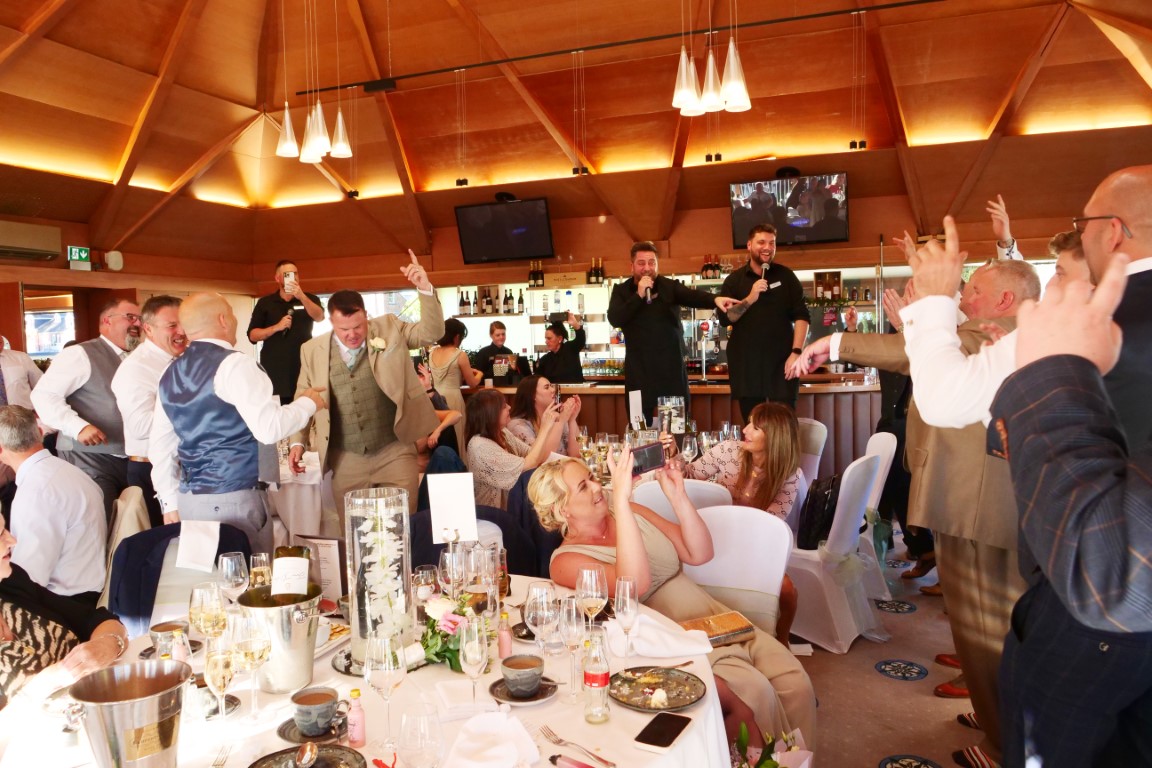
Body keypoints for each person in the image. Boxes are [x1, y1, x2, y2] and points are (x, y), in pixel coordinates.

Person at [793, 255, 1041, 768]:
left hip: (978, 506)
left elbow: (909, 354)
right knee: (993, 626)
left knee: (988, 628)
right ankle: (998, 717)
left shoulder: (994, 335)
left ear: (1004, 300)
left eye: (973, 290)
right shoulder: (1012, 333)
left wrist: (832, 343)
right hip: (984, 503)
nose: (964, 298)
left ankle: (1003, 744)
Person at [529, 452, 816, 743]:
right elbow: (635, 584)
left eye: (592, 477)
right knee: (756, 693)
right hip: (674, 639)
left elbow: (700, 552)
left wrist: (677, 495)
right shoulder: (565, 561)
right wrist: (621, 504)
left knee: (796, 683)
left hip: (716, 617)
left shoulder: (630, 511)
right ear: (562, 509)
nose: (596, 486)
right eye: (583, 486)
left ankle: (797, 759)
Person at [150, 293, 327, 552]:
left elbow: (160, 446)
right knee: (249, 574)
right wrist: (308, 403)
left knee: (208, 576)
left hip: (189, 500)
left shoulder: (170, 371)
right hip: (235, 497)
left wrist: (169, 502)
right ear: (223, 319)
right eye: (232, 314)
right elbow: (269, 429)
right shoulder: (235, 364)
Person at [289, 252, 443, 530]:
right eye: (343, 329)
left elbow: (431, 333)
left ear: (366, 317)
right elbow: (304, 398)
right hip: (345, 456)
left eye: (358, 326)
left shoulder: (390, 327)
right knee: (355, 533)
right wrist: (297, 442)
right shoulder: (311, 350)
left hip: (394, 448)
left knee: (401, 528)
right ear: (331, 322)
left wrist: (424, 289)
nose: (352, 334)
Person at [671, 402, 802, 645]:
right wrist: (673, 455)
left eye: (755, 427)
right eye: (749, 422)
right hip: (714, 538)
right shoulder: (728, 451)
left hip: (753, 545)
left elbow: (771, 525)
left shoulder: (790, 475)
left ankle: (782, 642)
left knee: (787, 591)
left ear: (775, 436)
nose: (745, 430)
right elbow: (689, 474)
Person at [0, 513, 128, 709]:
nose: (12, 541)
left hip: (97, 705)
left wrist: (108, 644)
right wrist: (49, 681)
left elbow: (94, 618)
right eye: (1, 534)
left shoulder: (11, 583)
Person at [30, 298, 141, 524]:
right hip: (88, 457)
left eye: (140, 319)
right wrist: (78, 427)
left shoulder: (137, 358)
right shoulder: (80, 354)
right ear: (107, 321)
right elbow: (43, 395)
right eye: (130, 317)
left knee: (131, 526)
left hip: (130, 457)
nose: (137, 323)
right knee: (96, 524)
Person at [607, 242, 739, 421]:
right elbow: (615, 318)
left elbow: (692, 296)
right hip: (638, 373)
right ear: (632, 266)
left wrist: (715, 299)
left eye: (652, 262)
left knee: (676, 428)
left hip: (671, 372)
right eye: (641, 263)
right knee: (638, 428)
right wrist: (638, 295)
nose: (647, 268)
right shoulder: (621, 291)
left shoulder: (668, 287)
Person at [0, 406, 106, 604]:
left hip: (68, 602)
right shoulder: (70, 471)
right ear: (40, 433)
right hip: (87, 585)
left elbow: (29, 578)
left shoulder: (35, 494)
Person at [110, 295, 187, 528]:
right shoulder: (137, 368)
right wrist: (195, 416)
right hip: (149, 469)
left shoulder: (186, 360)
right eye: (172, 325)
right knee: (164, 543)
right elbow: (141, 426)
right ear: (148, 329)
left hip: (186, 466)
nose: (181, 331)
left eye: (184, 323)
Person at [720, 224, 810, 417]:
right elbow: (725, 318)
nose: (767, 247)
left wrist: (796, 352)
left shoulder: (786, 277)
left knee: (784, 425)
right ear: (749, 245)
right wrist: (750, 298)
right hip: (747, 367)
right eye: (761, 242)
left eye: (772, 243)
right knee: (753, 426)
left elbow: (802, 315)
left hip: (783, 366)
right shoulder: (734, 281)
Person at [464, 388, 570, 509]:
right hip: (492, 514)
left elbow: (534, 454)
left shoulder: (503, 433)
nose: (509, 407)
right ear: (490, 413)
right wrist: (545, 427)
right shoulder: (480, 447)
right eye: (504, 406)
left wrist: (556, 422)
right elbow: (529, 464)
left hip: (514, 506)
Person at [247, 260, 325, 404]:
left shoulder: (310, 299)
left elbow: (319, 317)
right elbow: (252, 335)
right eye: (288, 274)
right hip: (275, 368)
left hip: (303, 365)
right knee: (279, 408)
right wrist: (276, 327)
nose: (293, 278)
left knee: (306, 404)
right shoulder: (265, 303)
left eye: (295, 274)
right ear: (277, 278)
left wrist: (301, 296)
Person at [428, 318, 482, 459]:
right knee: (457, 437)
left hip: (435, 399)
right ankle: (459, 466)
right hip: (453, 399)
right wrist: (480, 374)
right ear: (457, 337)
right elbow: (472, 383)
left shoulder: (432, 353)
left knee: (442, 438)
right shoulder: (459, 354)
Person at [506, 375, 583, 458]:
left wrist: (572, 419)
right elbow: (542, 459)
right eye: (547, 387)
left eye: (551, 386)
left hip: (566, 465)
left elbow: (576, 454)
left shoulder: (556, 417)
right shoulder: (518, 425)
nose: (553, 390)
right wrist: (561, 421)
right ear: (533, 395)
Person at [534, 313, 585, 384]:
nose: (546, 341)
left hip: (575, 390)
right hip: (553, 390)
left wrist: (575, 324)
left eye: (549, 338)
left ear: (560, 339)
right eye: (546, 338)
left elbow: (581, 339)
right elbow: (537, 378)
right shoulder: (545, 359)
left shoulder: (570, 349)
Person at [473, 321, 529, 385]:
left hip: (507, 387)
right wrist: (499, 370)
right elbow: (478, 374)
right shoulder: (483, 353)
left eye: (503, 334)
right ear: (491, 335)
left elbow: (512, 374)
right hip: (488, 388)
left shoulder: (509, 352)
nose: (501, 337)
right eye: (498, 335)